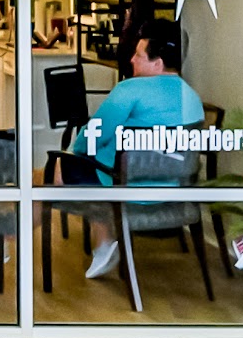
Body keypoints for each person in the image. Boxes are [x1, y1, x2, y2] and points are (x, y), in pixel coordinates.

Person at [58, 17, 204, 280]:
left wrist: (72, 153)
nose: (131, 61)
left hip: (129, 190)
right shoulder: (192, 98)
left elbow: (90, 137)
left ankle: (3, 232)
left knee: (53, 172)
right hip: (172, 192)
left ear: (157, 63)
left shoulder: (130, 88)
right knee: (89, 173)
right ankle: (103, 245)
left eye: (138, 56)